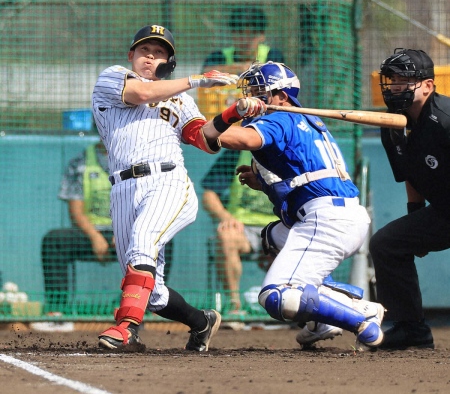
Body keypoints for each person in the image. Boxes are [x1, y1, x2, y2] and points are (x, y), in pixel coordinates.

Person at [200, 61, 386, 350]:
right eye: (250, 93)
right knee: (271, 237)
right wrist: (264, 183)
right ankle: (321, 321)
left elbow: (239, 138)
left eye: (259, 93)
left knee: (276, 296)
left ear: (282, 96)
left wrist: (214, 122)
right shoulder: (305, 121)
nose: (252, 100)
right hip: (335, 214)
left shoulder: (280, 117)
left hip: (325, 220)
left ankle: (361, 316)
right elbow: (304, 177)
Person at [91, 24, 251, 351]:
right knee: (153, 292)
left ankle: (125, 328)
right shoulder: (112, 77)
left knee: (143, 243)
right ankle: (201, 322)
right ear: (131, 55)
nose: (150, 57)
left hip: (168, 181)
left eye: (159, 52)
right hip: (121, 188)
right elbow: (142, 93)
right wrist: (197, 80)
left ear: (168, 62)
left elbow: (205, 139)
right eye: (145, 51)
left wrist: (236, 111)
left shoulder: (179, 98)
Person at [369, 48, 448, 350]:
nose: (396, 86)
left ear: (427, 86)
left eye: (405, 79)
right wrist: (415, 217)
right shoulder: (391, 127)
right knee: (387, 243)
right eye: (392, 79)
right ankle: (410, 329)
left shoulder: (445, 120)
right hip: (443, 211)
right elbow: (410, 176)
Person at [41, 141, 115, 315]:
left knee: (162, 242)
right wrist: (95, 237)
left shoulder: (136, 161)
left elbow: (141, 202)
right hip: (90, 234)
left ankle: (150, 308)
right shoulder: (80, 163)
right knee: (54, 240)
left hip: (126, 233)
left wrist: (125, 232)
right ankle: (56, 311)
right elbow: (76, 211)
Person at [201, 149, 277, 313]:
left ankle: (289, 309)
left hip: (280, 227)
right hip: (243, 229)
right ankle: (234, 307)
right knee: (226, 236)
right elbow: (209, 195)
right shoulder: (237, 154)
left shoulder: (290, 153)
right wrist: (225, 216)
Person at [202, 7, 285, 75]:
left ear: (262, 36)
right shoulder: (218, 57)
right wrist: (239, 68)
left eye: (252, 34)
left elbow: (281, 74)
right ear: (232, 33)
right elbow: (204, 74)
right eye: (240, 33)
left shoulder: (272, 55)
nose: (245, 40)